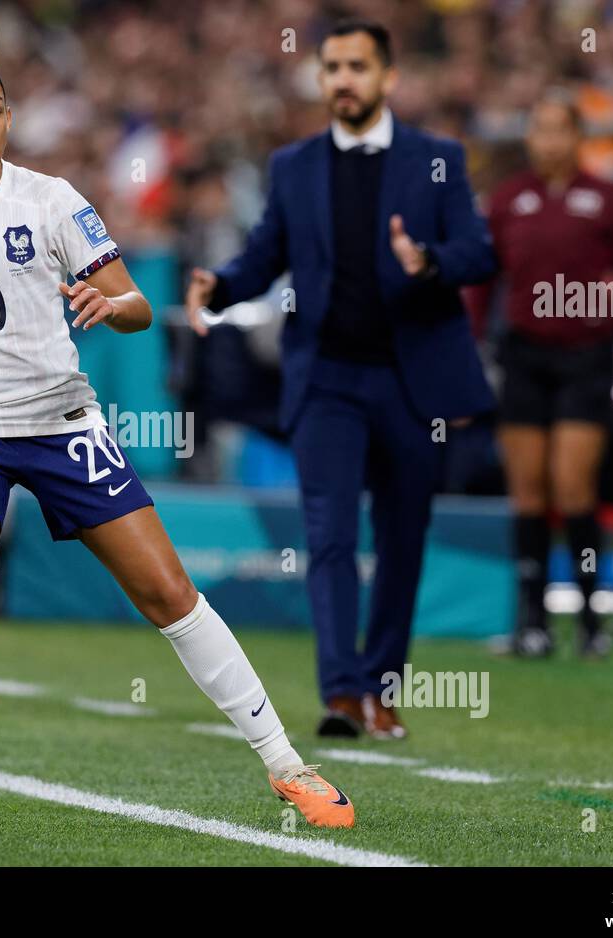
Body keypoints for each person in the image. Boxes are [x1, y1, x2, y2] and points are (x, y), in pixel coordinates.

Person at [0, 57, 353, 828]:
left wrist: (110, 301)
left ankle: (286, 764)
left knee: (167, 591)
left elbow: (134, 303)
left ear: (8, 120)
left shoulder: (53, 202)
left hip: (61, 420)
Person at [184, 20, 497, 739]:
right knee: (327, 534)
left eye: (358, 66)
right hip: (325, 377)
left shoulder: (439, 160)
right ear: (321, 78)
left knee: (402, 539)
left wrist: (430, 262)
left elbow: (479, 253)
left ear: (388, 77)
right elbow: (267, 254)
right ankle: (342, 694)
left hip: (413, 382)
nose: (344, 79)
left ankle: (382, 689)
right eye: (332, 67)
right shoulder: (292, 165)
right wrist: (223, 284)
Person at [466, 90, 613, 659]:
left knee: (573, 483)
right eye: (539, 129)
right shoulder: (508, 199)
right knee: (527, 489)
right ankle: (532, 622)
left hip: (585, 358)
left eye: (559, 129)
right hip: (523, 356)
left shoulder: (606, 197)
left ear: (579, 136)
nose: (549, 140)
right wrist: (465, 357)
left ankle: (592, 621)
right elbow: (481, 284)